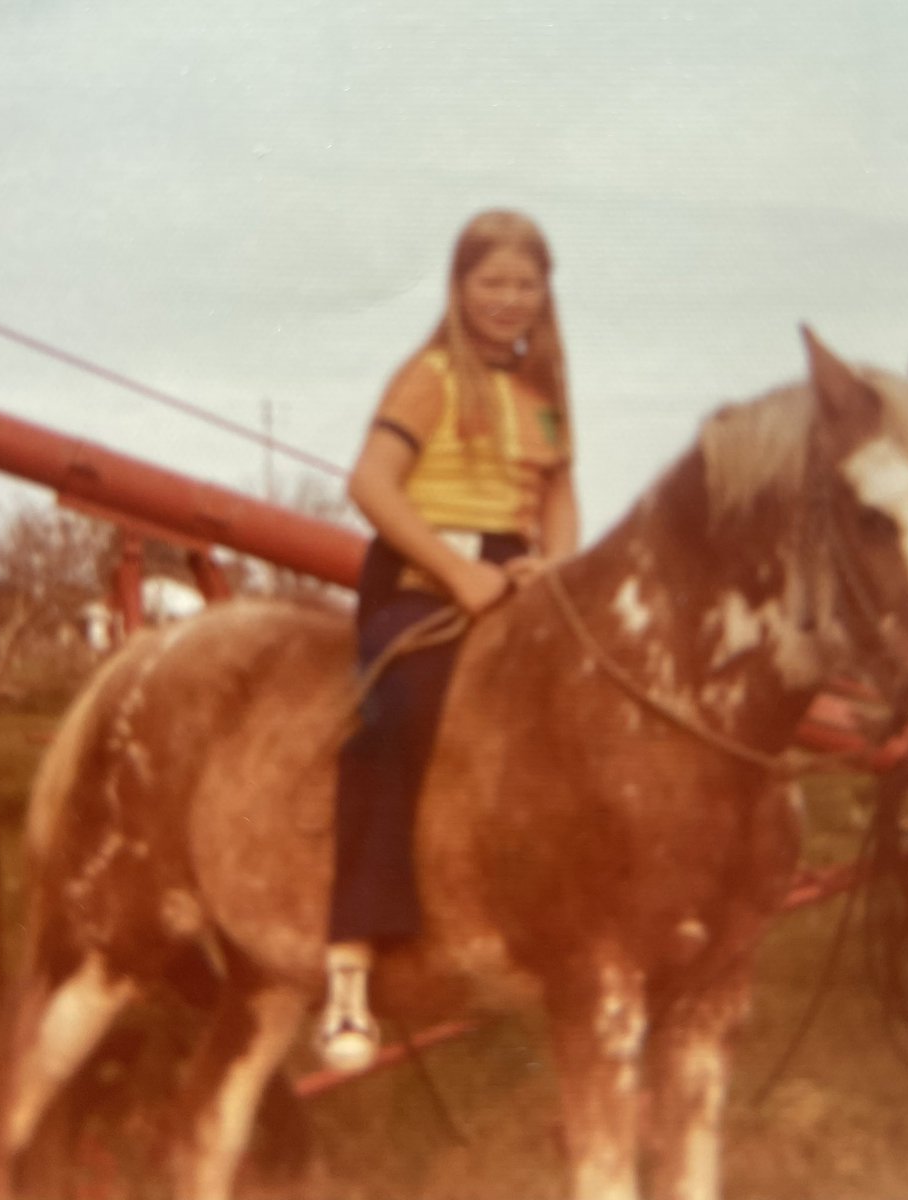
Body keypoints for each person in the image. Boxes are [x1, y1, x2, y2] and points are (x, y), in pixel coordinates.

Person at [318, 210, 579, 1071]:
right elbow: (371, 484)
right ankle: (352, 962)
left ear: (546, 294)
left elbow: (558, 494)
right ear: (460, 289)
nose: (509, 300)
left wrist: (556, 566)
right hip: (424, 575)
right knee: (405, 710)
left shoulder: (544, 395)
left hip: (511, 581)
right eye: (492, 283)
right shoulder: (429, 378)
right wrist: (458, 573)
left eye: (525, 285)